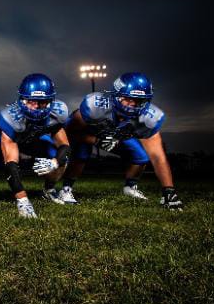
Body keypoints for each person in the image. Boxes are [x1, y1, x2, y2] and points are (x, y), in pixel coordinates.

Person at [63, 72, 183, 210]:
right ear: (115, 95)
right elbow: (69, 132)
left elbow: (158, 156)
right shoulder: (95, 107)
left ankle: (130, 187)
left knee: (141, 157)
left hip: (117, 135)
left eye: (138, 100)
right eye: (127, 98)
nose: (132, 105)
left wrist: (169, 190)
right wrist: (95, 140)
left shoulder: (149, 118)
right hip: (88, 133)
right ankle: (66, 189)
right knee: (82, 154)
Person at [0, 73, 72, 218]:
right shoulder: (10, 117)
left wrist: (55, 162)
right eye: (30, 101)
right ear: (22, 99)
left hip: (33, 138)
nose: (35, 107)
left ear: (51, 100)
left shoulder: (59, 112)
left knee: (62, 160)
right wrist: (23, 200)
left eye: (41, 102)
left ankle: (48, 189)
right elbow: (11, 164)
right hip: (8, 136)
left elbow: (64, 145)